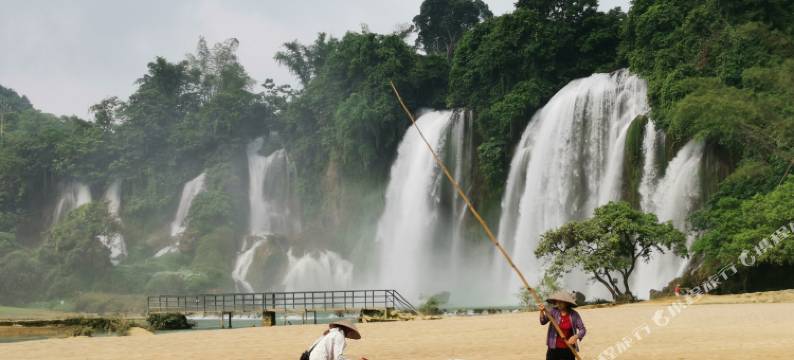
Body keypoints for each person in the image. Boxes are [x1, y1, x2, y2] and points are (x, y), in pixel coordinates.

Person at [537, 291, 587, 360]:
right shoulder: (553, 311)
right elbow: (542, 322)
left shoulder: (574, 314)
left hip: (568, 349)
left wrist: (576, 336)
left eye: (561, 302)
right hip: (553, 348)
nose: (558, 304)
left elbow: (583, 329)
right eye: (557, 302)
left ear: (567, 303)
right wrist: (541, 311)